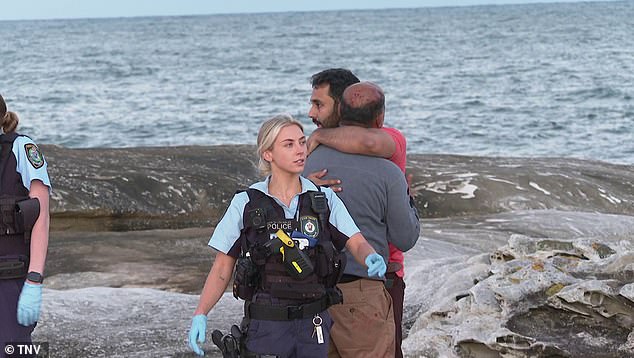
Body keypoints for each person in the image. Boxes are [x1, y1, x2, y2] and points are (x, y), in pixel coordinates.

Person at [187, 114, 387, 358]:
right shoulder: (246, 204)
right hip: (266, 327)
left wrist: (370, 256)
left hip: (313, 326)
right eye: (289, 144)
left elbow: (356, 242)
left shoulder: (323, 200)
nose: (300, 150)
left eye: (302, 142)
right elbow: (222, 268)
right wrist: (201, 313)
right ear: (267, 154)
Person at [304, 82, 420, 357]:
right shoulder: (388, 171)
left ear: (340, 110)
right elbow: (405, 238)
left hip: (309, 291)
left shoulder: (304, 160)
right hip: (362, 293)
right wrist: (409, 200)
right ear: (379, 118)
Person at [0, 94, 51, 358]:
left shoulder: (22, 149)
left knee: (15, 351)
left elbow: (41, 217)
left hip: (10, 277)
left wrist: (34, 279)